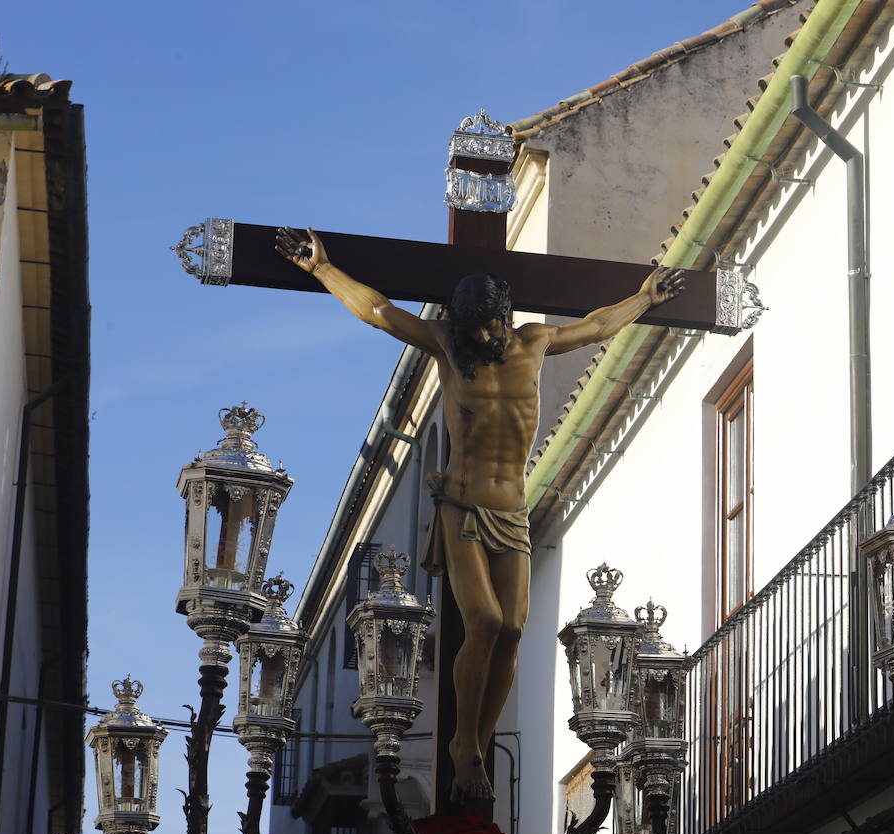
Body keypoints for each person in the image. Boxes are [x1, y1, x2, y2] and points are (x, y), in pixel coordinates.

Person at [276, 227, 686, 800]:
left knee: (513, 628)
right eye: (474, 327)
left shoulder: (534, 342)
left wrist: (644, 299)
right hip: (462, 503)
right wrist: (322, 269)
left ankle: (481, 741)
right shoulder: (449, 344)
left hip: (511, 507)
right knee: (486, 621)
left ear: (504, 316)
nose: (483, 336)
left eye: (490, 326)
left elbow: (596, 326)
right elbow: (379, 311)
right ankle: (463, 743)